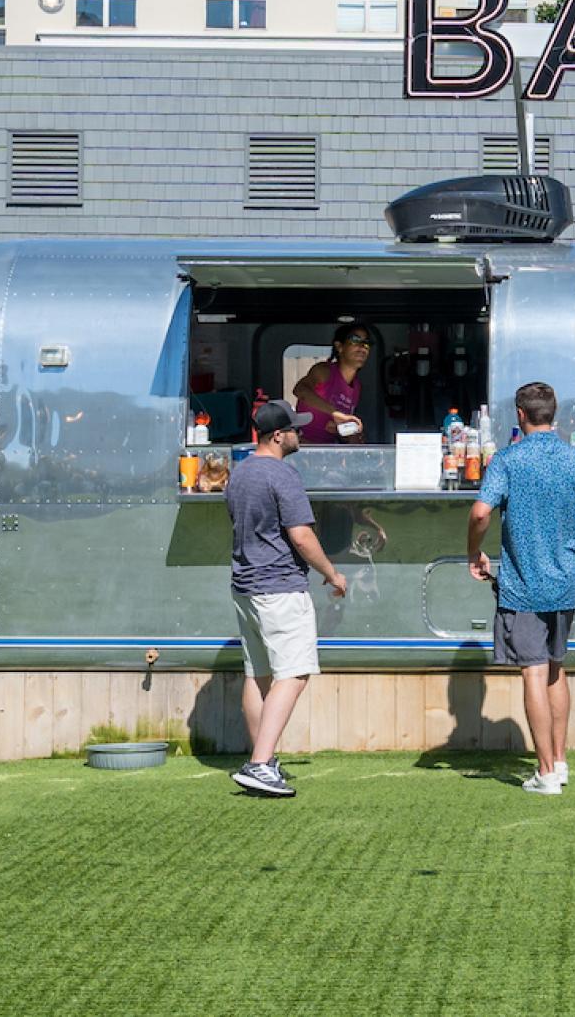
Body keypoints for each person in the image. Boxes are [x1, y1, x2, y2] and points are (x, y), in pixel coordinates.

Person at [468, 382, 575, 795]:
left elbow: (480, 512)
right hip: (565, 580)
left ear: (520, 414)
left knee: (532, 670)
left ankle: (545, 773)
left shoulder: (508, 460)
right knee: (555, 668)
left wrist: (473, 552)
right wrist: (568, 530)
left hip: (524, 584)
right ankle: (561, 761)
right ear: (554, 413)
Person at [225, 400, 348, 797]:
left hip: (244, 586)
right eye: (295, 429)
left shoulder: (239, 474)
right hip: (279, 587)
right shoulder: (284, 475)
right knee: (293, 673)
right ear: (278, 436)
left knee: (257, 675)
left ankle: (263, 759)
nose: (301, 434)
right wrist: (332, 573)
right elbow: (301, 536)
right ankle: (260, 764)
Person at [293, 324, 371, 445]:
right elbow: (300, 390)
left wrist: (349, 435)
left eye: (366, 343)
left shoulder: (356, 387)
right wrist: (335, 413)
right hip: (304, 448)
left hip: (330, 452)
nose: (362, 347)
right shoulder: (324, 371)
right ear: (339, 347)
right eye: (355, 340)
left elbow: (338, 427)